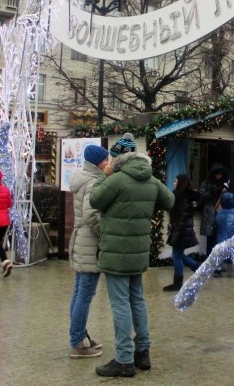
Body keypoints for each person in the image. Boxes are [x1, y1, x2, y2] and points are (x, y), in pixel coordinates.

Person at [89, 133, 175, 378]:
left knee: (120, 304)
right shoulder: (151, 179)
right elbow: (170, 200)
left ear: (118, 159)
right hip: (138, 254)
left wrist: (102, 178)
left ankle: (124, 359)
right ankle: (142, 352)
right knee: (137, 300)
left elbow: (95, 199)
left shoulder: (116, 179)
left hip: (117, 255)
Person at [68, 144, 107, 357]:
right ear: (96, 162)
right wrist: (106, 235)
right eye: (104, 160)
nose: (107, 163)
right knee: (85, 293)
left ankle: (81, 334)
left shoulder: (81, 178)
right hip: (90, 243)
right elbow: (92, 215)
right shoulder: (93, 182)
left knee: (79, 292)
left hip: (80, 240)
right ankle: (77, 342)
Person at [163, 173, 200, 291]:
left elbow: (181, 217)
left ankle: (177, 283)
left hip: (181, 230)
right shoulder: (183, 195)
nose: (174, 183)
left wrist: (174, 227)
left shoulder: (181, 196)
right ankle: (198, 268)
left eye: (176, 181)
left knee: (176, 256)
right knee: (179, 255)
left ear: (181, 182)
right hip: (183, 230)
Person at [199, 163, 230, 257]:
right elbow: (201, 196)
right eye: (217, 174)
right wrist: (212, 191)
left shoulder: (223, 184)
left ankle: (218, 260)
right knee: (210, 238)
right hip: (209, 212)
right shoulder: (206, 183)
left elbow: (228, 200)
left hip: (220, 212)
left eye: (221, 174)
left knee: (219, 237)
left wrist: (225, 192)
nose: (219, 176)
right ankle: (209, 258)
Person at [213, 192, 234, 277]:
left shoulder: (219, 213)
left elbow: (216, 222)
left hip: (221, 238)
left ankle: (218, 270)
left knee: (219, 254)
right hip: (233, 238)